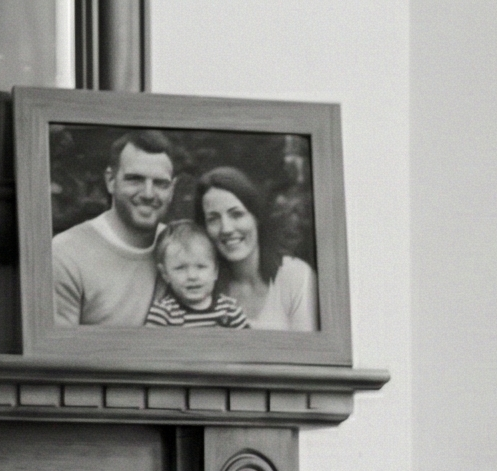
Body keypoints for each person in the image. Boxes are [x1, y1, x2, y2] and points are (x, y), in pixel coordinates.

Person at [51, 130, 175, 327]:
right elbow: (56, 353)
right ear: (110, 180)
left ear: (172, 190)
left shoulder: (180, 248)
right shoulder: (65, 253)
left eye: (160, 183)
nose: (148, 194)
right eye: (135, 179)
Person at [195, 165, 319, 332]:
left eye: (236, 214)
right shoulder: (199, 288)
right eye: (213, 218)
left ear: (256, 217)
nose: (226, 228)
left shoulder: (295, 276)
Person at [142, 223, 249, 329]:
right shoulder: (164, 312)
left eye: (201, 267)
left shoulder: (228, 309)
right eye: (180, 268)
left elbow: (251, 342)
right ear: (165, 274)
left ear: (215, 271)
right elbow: (150, 345)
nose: (192, 276)